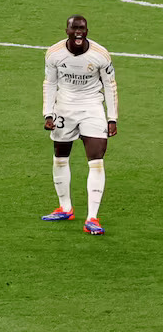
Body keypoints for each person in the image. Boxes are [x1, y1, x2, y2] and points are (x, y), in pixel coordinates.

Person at [41, 15, 117, 235]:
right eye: (74, 28)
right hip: (64, 108)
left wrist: (112, 117)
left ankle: (92, 217)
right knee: (60, 156)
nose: (78, 32)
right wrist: (48, 113)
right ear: (67, 30)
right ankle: (65, 208)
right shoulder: (54, 54)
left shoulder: (100, 55)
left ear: (87, 31)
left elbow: (110, 86)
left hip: (92, 107)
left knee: (96, 158)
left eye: (82, 29)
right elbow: (50, 83)